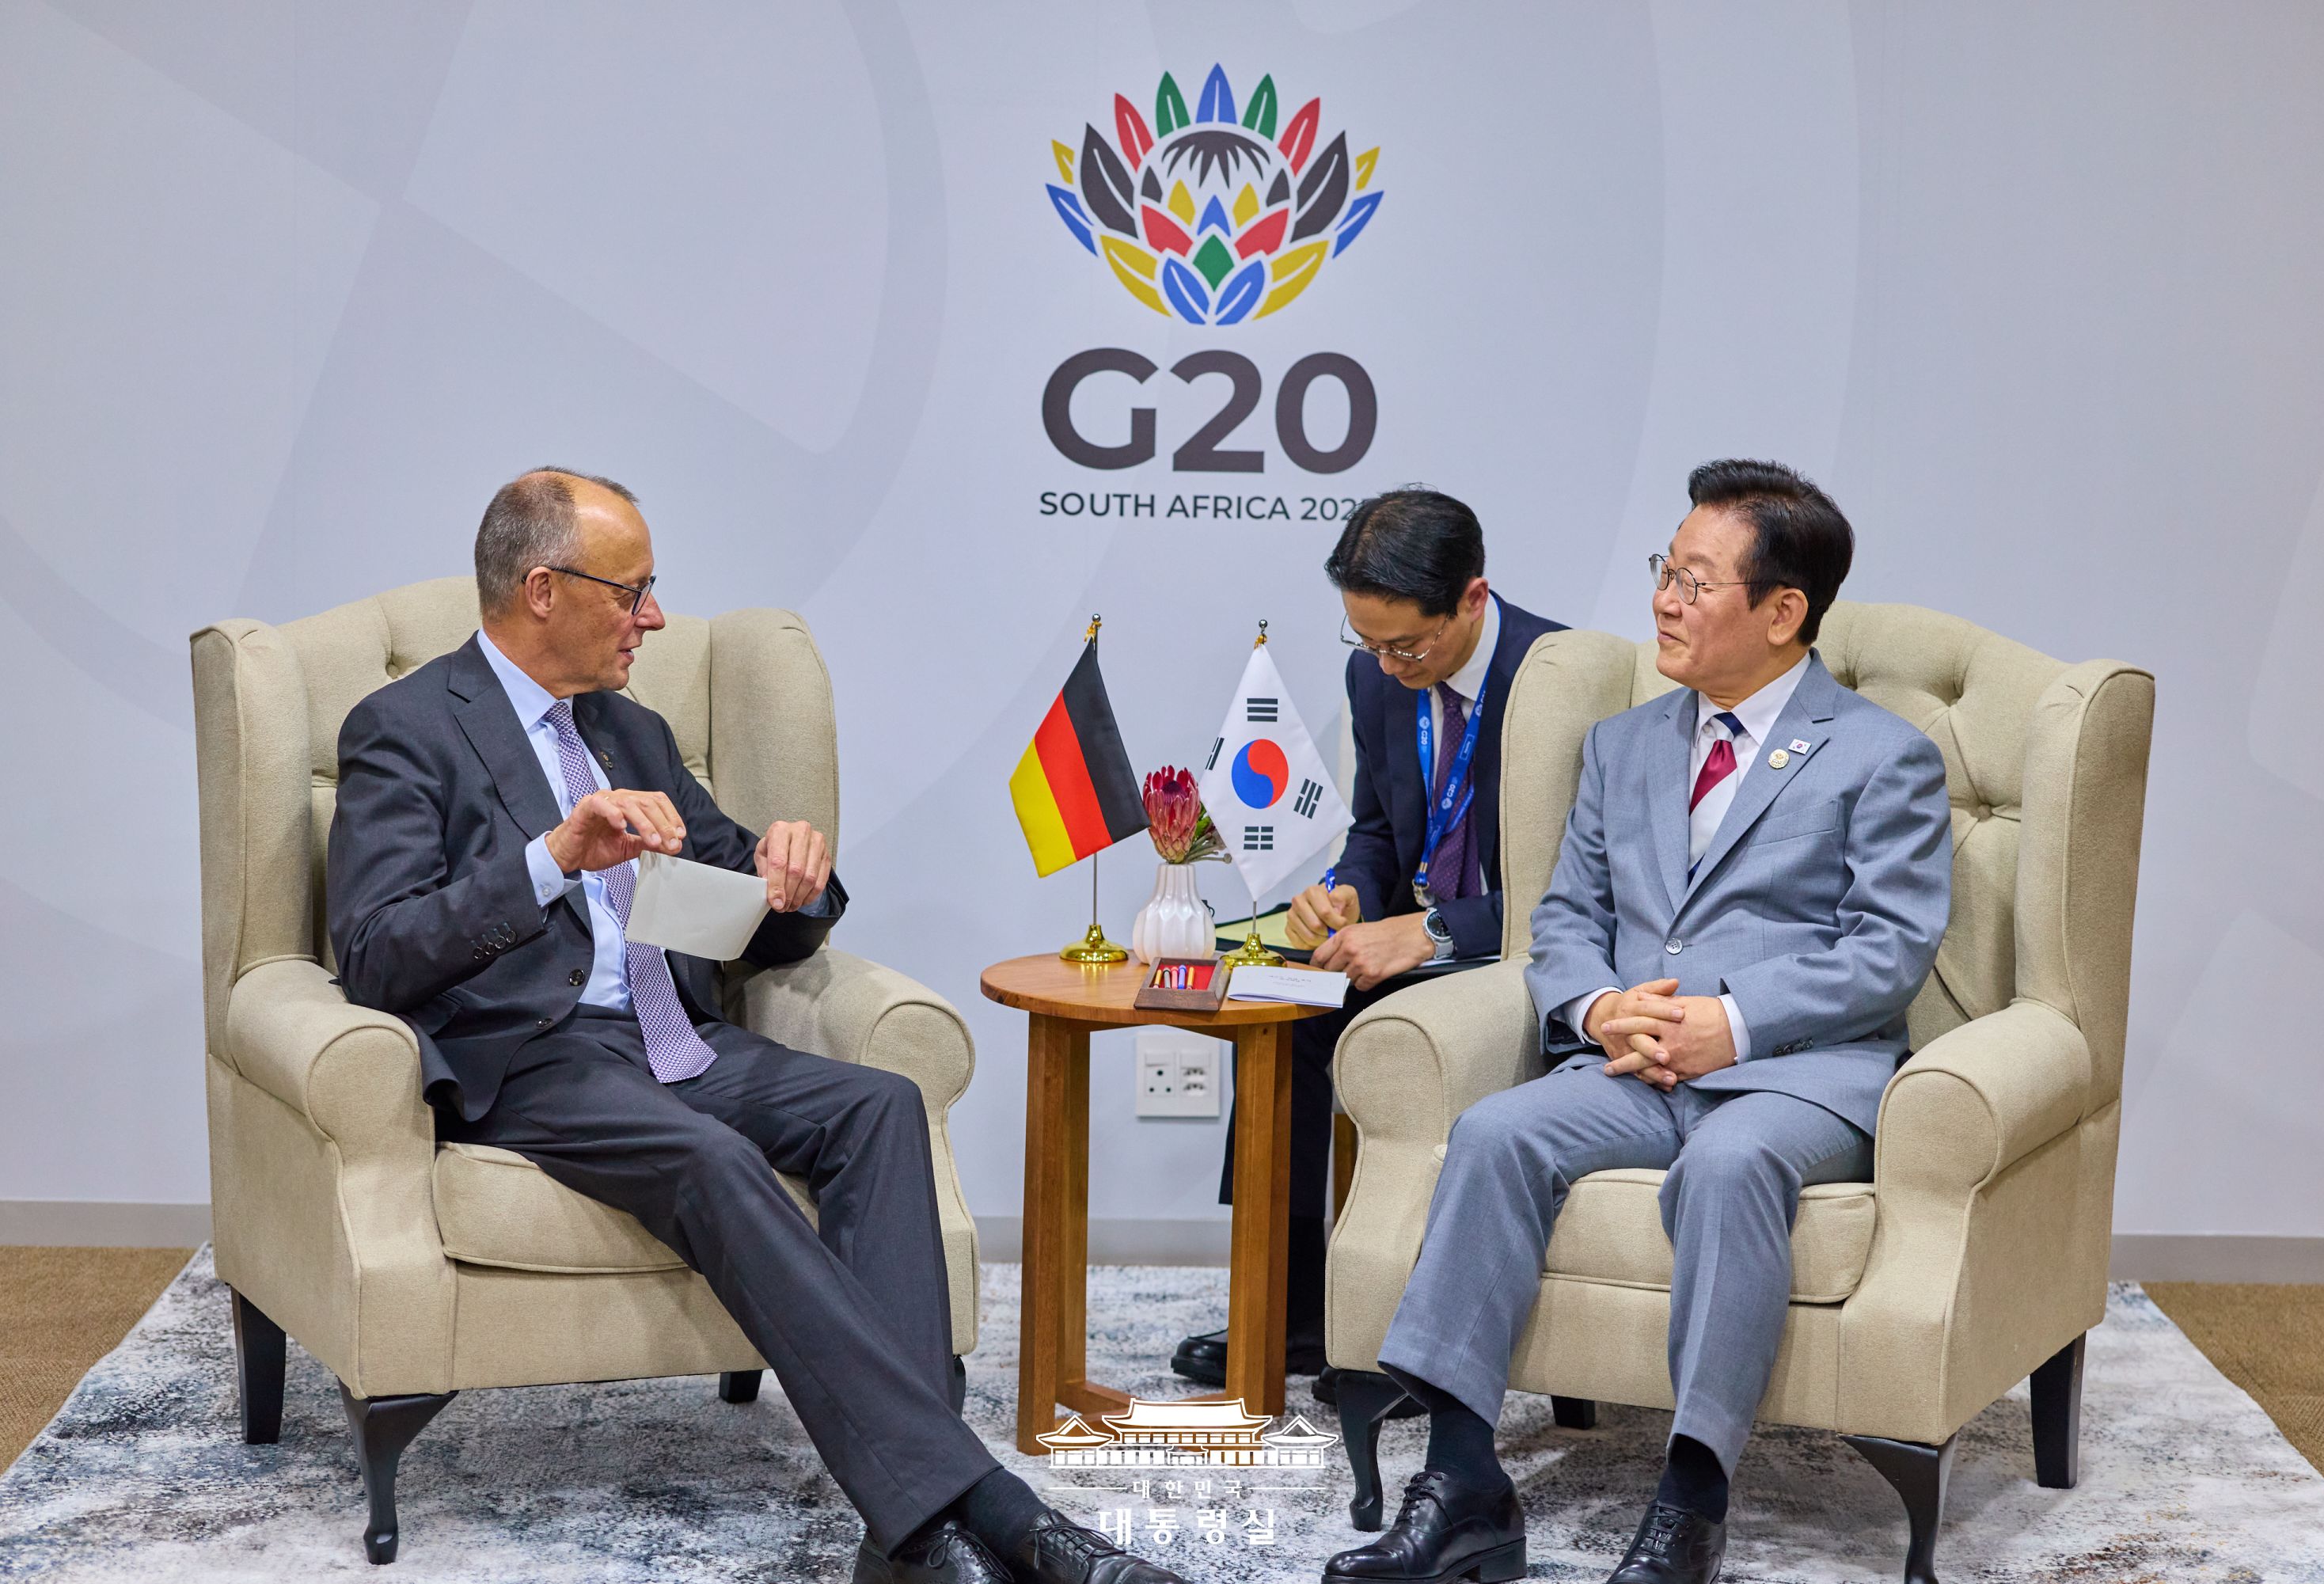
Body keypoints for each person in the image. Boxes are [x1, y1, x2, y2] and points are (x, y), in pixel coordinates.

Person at [328, 469, 1183, 1584]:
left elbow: (752, 912)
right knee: (714, 1160)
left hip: (679, 1041)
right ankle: (988, 1515)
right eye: (632, 591)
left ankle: (907, 1537)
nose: (653, 617)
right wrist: (553, 857)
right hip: (533, 1056)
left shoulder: (631, 731)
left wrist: (799, 879)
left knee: (881, 1107)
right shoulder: (405, 728)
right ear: (542, 589)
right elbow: (375, 953)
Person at [1323, 461, 1951, 1584]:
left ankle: (1690, 1503)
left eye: (1694, 582)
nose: (1663, 599)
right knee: (1494, 1133)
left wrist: (1734, 1023)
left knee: (1731, 1164)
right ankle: (1464, 1487)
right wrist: (1600, 1006)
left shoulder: (1880, 753)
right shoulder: (1624, 744)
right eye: (1666, 570)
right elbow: (1565, 919)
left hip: (1795, 1077)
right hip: (1633, 1063)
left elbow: (1888, 949)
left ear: (1782, 611)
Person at [1171, 488, 1563, 1404]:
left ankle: (1400, 1324)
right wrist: (1349, 892)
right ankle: (1290, 1309)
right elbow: (1382, 831)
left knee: (1398, 1041)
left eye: (1407, 647)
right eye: (1368, 643)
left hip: (1517, 957)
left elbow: (1577, 890)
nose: (1387, 666)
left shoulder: (1556, 678)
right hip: (1413, 944)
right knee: (1277, 1011)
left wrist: (1428, 932)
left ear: (1472, 598)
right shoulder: (1377, 679)